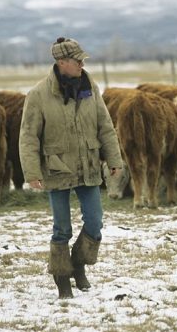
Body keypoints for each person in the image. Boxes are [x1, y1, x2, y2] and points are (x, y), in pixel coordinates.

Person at [19, 37, 123, 299]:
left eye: (82, 60)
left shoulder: (91, 87)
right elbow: (29, 136)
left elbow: (105, 125)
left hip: (88, 165)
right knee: (61, 228)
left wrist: (114, 159)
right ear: (61, 62)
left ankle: (78, 265)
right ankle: (62, 277)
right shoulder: (38, 95)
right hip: (56, 169)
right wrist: (32, 172)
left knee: (95, 223)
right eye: (78, 61)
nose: (81, 64)